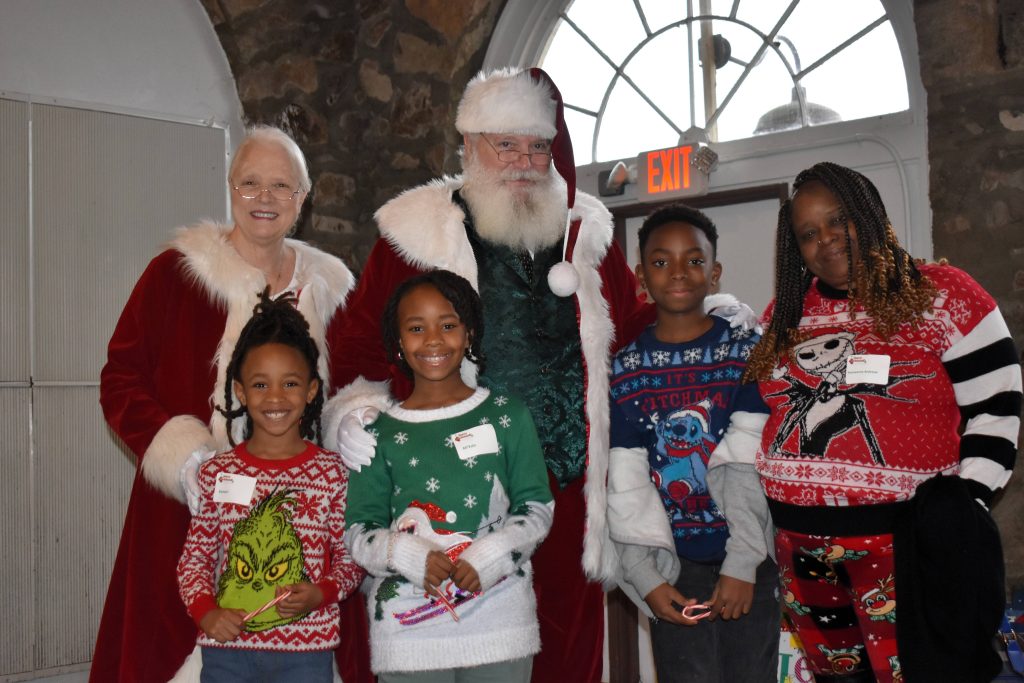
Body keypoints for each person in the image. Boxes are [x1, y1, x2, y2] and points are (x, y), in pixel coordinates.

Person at [326, 66, 754, 681]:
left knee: (567, 648)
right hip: (458, 495)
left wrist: (701, 313)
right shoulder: (412, 238)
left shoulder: (587, 234)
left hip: (573, 488)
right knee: (464, 646)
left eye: (537, 147)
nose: (524, 162)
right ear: (470, 146)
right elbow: (358, 343)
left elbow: (633, 323)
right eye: (506, 145)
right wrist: (354, 410)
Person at [91, 125, 371, 683]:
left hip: (305, 514)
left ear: (303, 198)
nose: (264, 198)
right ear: (230, 189)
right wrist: (186, 459)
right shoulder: (176, 274)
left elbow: (356, 378)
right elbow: (121, 377)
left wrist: (353, 416)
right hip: (188, 512)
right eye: (250, 183)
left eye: (280, 186)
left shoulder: (332, 287)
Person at [745, 161, 1022, 683]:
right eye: (808, 234)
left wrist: (964, 504)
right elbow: (762, 408)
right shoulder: (782, 314)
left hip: (904, 549)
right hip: (800, 548)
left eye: (838, 220)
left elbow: (998, 404)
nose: (825, 240)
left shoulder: (946, 295)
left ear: (869, 214)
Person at [344, 270, 554, 680]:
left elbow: (536, 506)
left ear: (470, 332)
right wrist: (404, 554)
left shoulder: (508, 415)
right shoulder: (376, 432)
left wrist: (492, 554)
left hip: (500, 625)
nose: (434, 339)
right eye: (417, 328)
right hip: (407, 635)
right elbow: (359, 529)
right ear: (399, 341)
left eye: (448, 324)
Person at [606, 204, 779, 683]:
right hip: (673, 566)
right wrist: (646, 577)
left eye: (694, 260)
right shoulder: (627, 370)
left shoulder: (747, 352)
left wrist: (743, 563)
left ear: (715, 271)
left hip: (749, 558)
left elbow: (748, 460)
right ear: (641, 276)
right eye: (661, 262)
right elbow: (625, 483)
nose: (678, 273)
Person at [177, 293, 364, 682]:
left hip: (306, 659)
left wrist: (322, 592)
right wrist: (206, 612)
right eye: (261, 384)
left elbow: (351, 559)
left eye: (290, 383)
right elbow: (194, 560)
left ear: (311, 390)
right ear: (241, 392)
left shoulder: (332, 473)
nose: (275, 397)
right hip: (227, 655)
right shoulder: (218, 472)